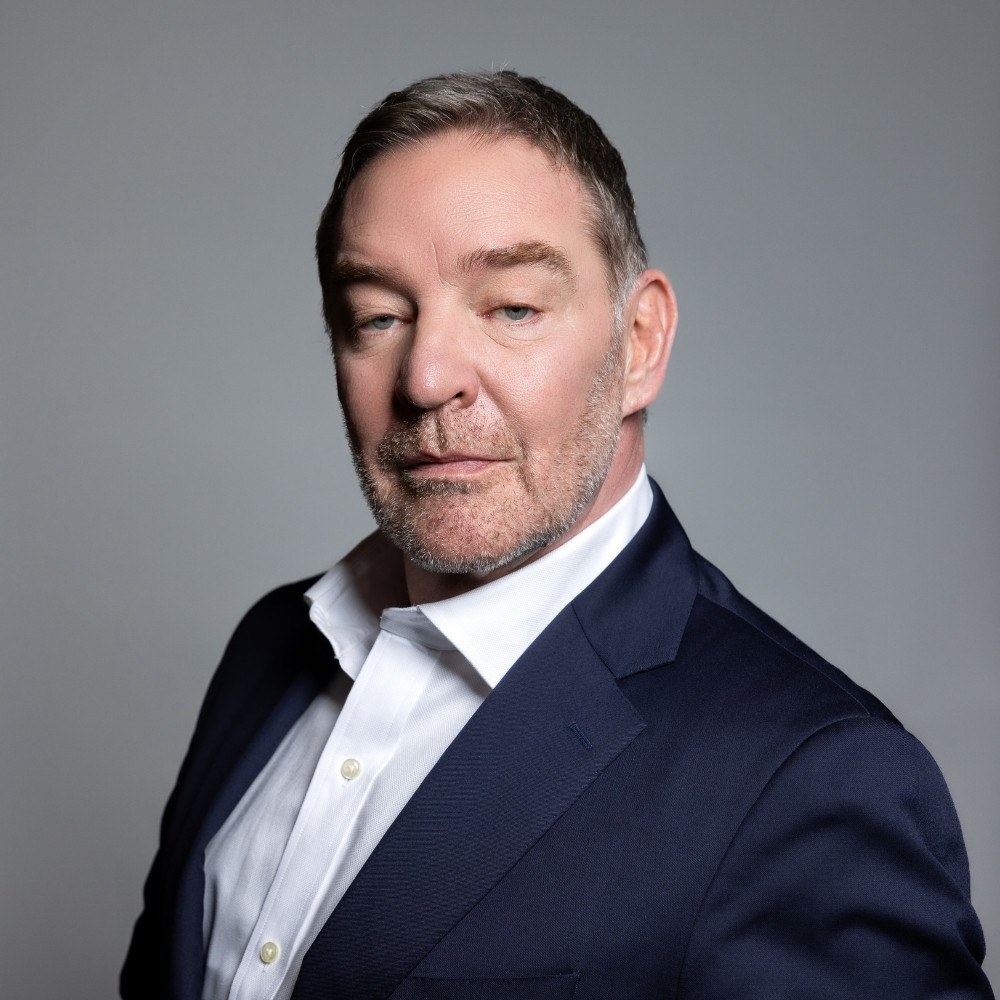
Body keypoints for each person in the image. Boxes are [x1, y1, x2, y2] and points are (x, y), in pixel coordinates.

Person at [122, 70, 993, 1000]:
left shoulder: (811, 779)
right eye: (377, 316)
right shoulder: (270, 649)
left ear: (641, 343)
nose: (427, 377)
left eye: (512, 309)